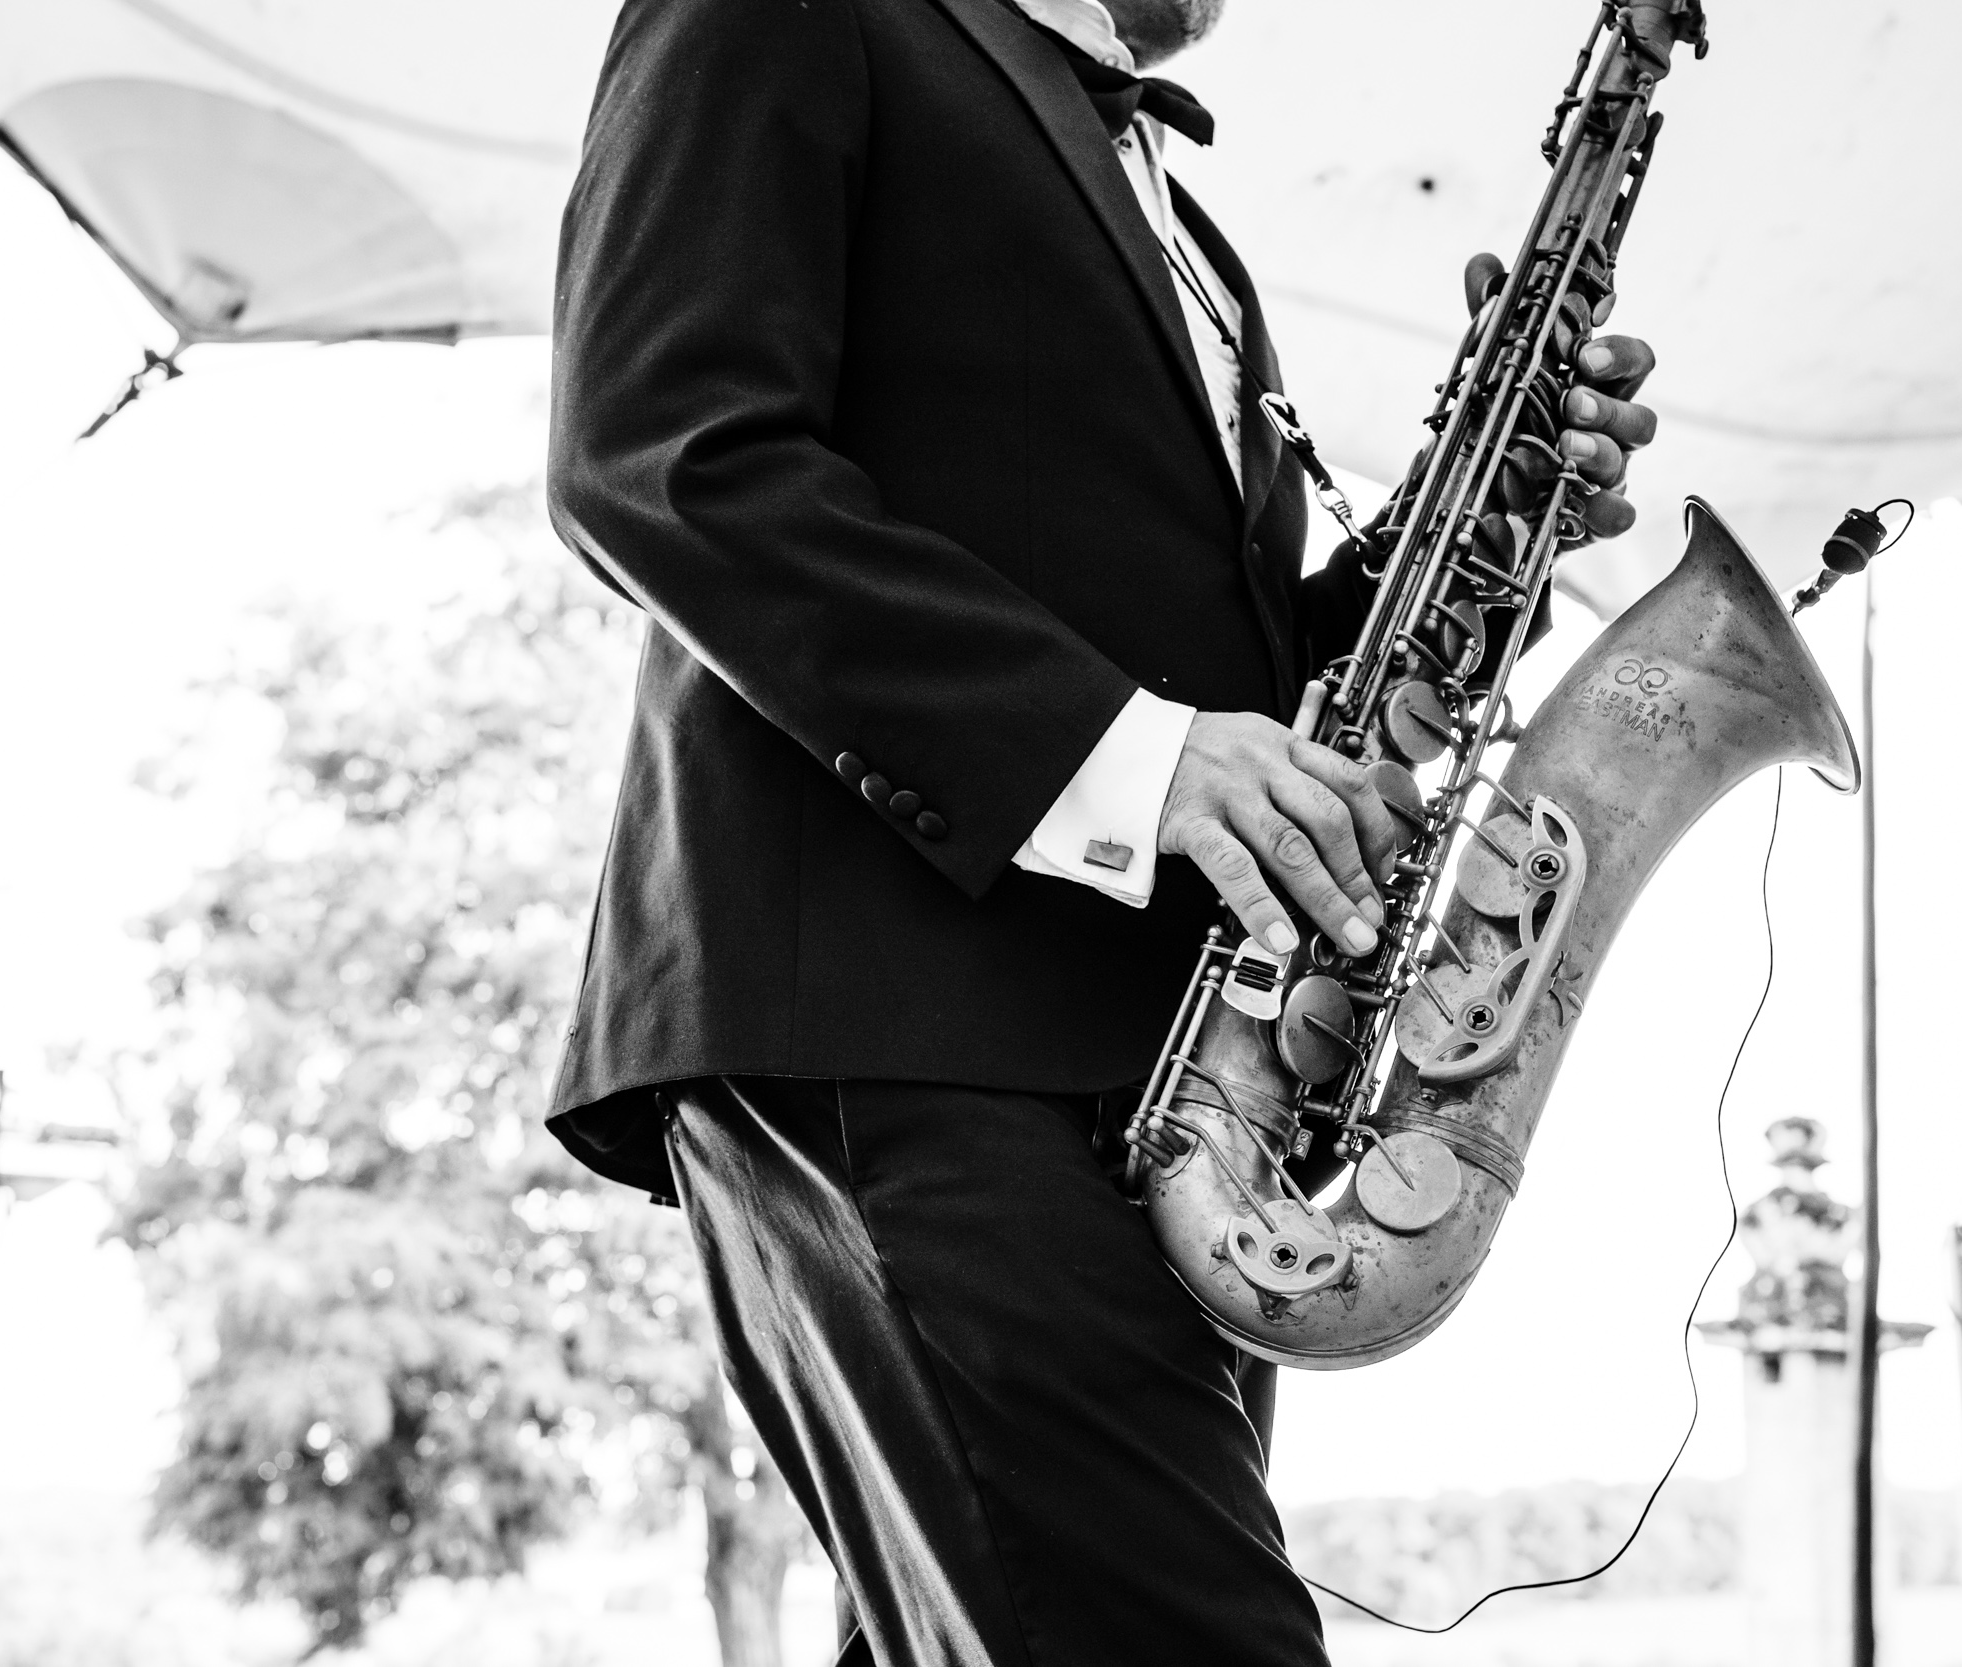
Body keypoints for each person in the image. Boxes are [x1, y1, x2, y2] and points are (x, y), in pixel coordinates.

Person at [542, 0, 1660, 1659]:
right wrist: (1132, 757)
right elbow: (661, 459)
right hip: (901, 1022)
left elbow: (1218, 682)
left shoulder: (1175, 211)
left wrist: (1477, 534)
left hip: (1173, 1091)